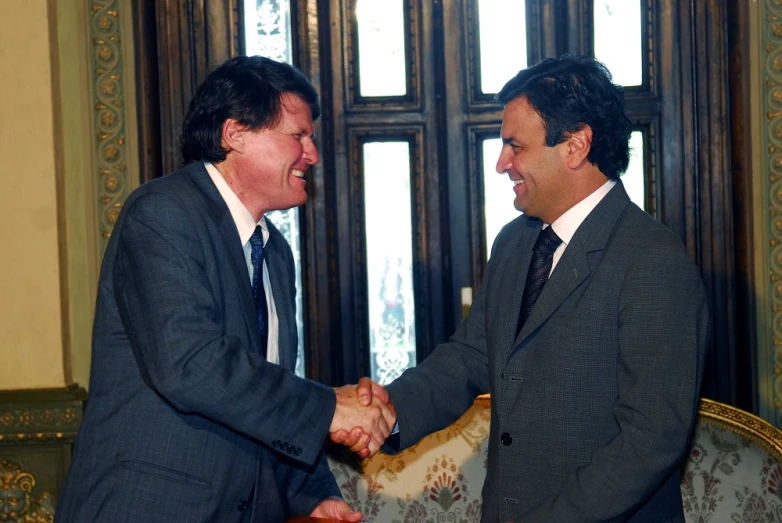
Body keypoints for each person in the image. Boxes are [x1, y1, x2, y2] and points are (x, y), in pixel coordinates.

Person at [334, 54, 710, 522]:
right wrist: (390, 411)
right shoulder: (515, 241)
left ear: (574, 145)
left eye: (515, 146)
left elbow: (651, 437)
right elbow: (470, 356)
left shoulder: (653, 262)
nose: (501, 164)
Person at [55, 55, 395, 523]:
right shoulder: (161, 213)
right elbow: (190, 363)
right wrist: (328, 408)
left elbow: (261, 390)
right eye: (298, 135)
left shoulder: (274, 252)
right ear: (235, 133)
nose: (312, 154)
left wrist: (309, 492)